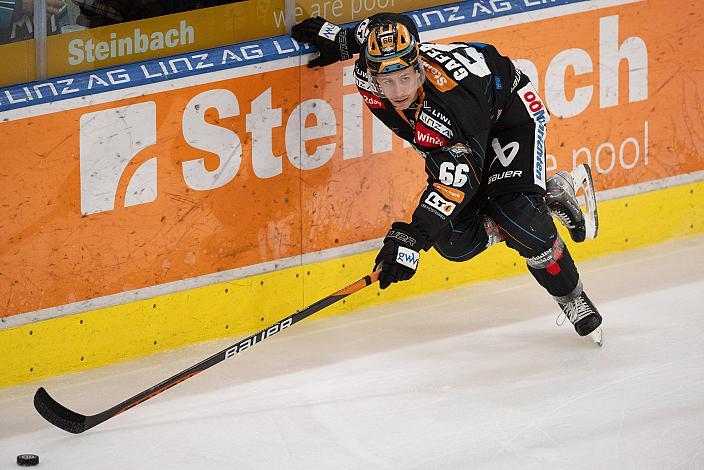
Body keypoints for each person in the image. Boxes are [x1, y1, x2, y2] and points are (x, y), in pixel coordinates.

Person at [292, 13, 603, 344]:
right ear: (372, 74)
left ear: (419, 69)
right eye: (388, 81)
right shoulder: (367, 75)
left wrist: (412, 236)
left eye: (405, 78)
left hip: (509, 115)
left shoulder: (448, 107)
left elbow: (458, 181)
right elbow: (384, 25)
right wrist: (342, 40)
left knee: (522, 221)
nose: (397, 91)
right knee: (454, 241)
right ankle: (533, 203)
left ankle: (571, 293)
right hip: (459, 137)